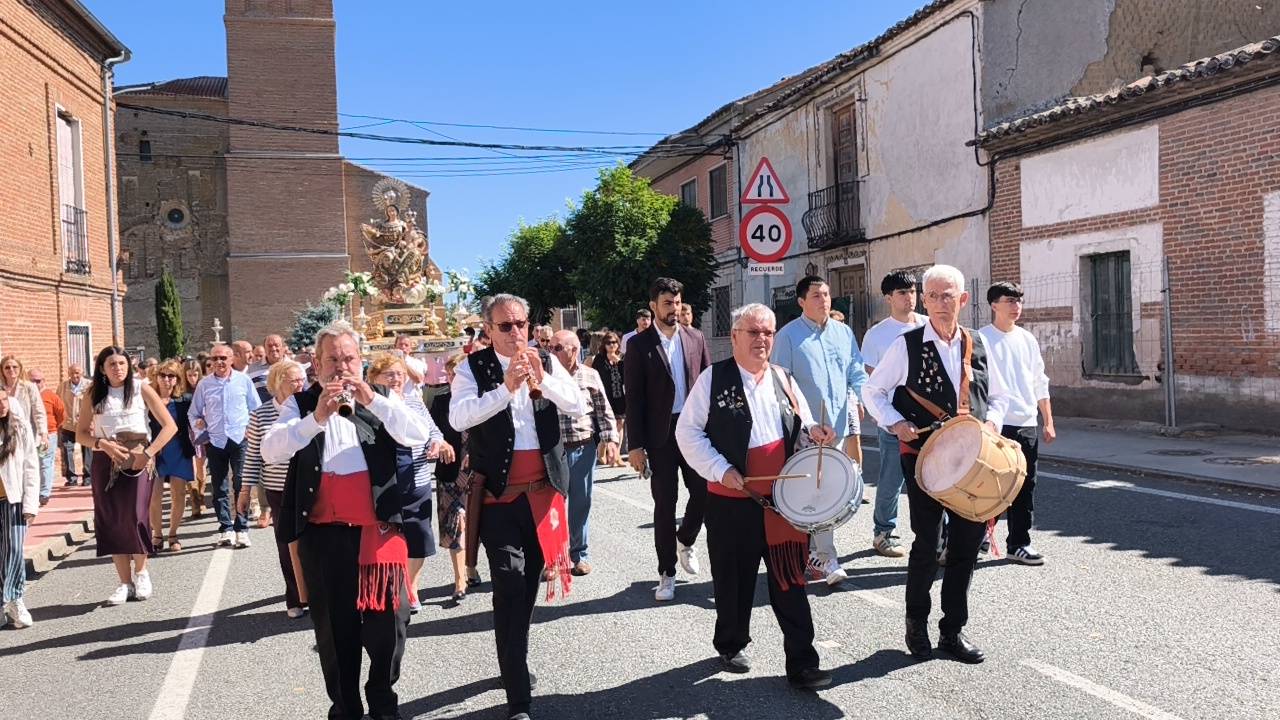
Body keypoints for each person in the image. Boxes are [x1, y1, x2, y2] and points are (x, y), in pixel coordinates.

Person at [262, 321, 433, 720]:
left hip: (379, 533)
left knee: (390, 625)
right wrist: (315, 419)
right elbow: (271, 449)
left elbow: (416, 434)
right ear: (316, 366)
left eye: (349, 358)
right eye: (332, 360)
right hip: (325, 539)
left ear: (361, 361)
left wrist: (372, 399)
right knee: (335, 634)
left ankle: (382, 696)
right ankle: (346, 708)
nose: (341, 367)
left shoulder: (384, 398)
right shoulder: (301, 404)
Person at [675, 303, 835, 689]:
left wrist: (815, 432)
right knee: (733, 581)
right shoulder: (714, 379)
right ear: (734, 337)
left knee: (790, 581)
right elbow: (688, 433)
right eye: (753, 332)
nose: (762, 339)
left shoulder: (783, 378)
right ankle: (731, 644)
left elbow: (802, 422)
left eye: (768, 332)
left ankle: (802, 663)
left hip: (781, 503)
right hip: (731, 501)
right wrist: (720, 470)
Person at [862, 264, 1010, 664]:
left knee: (965, 547)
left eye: (949, 296)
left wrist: (991, 427)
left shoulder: (978, 343)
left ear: (963, 300)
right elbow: (872, 390)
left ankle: (952, 631)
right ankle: (916, 623)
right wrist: (895, 422)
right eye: (933, 296)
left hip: (973, 464)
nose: (941, 303)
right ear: (924, 300)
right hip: (924, 460)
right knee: (927, 544)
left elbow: (998, 396)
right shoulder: (906, 345)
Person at [449, 293, 587, 720]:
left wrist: (542, 380)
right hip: (499, 497)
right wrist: (504, 389)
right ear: (488, 330)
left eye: (521, 324)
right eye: (505, 326)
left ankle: (513, 653)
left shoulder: (547, 360)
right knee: (508, 581)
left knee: (526, 588)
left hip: (544, 493)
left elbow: (577, 405)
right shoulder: (471, 369)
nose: (516, 333)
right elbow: (458, 419)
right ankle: (518, 693)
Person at [771, 276, 868, 586]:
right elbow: (782, 383)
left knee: (828, 490)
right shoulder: (787, 337)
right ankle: (823, 555)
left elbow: (856, 372)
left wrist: (871, 403)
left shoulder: (843, 332)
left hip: (836, 427)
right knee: (813, 490)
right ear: (801, 301)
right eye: (816, 295)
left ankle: (815, 553)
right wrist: (808, 422)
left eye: (826, 294)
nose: (823, 300)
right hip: (805, 431)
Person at [624, 277, 712, 602]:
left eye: (677, 303)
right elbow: (633, 398)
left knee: (704, 493)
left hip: (692, 430)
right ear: (653, 306)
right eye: (666, 304)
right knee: (665, 504)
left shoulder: (696, 338)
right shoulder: (639, 345)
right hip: (659, 436)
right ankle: (667, 572)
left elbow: (707, 386)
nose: (673, 309)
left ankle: (686, 538)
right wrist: (635, 446)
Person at [75, 346, 177, 606]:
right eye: (112, 364)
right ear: (102, 368)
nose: (118, 368)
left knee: (135, 515)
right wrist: (102, 445)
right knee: (111, 518)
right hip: (105, 460)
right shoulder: (93, 394)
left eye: (122, 363)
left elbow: (169, 426)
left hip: (137, 457)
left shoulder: (141, 388)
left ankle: (142, 572)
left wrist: (150, 452)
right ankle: (124, 582)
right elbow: (81, 434)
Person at [366, 353, 453, 615]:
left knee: (419, 539)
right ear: (373, 378)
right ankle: (391, 588)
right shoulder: (369, 404)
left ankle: (410, 585)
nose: (396, 379)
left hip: (417, 480)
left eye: (399, 373)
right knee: (390, 540)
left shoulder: (414, 402)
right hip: (385, 485)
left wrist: (438, 442)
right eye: (389, 374)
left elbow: (433, 431)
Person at [979, 281, 1055, 565]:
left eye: (1019, 301)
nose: (1016, 306)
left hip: (1025, 421)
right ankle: (981, 533)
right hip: (996, 423)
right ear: (994, 305)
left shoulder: (1027, 339)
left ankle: (1019, 543)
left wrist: (1047, 420)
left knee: (1025, 484)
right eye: (1009, 300)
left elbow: (1039, 380)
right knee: (991, 484)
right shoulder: (981, 338)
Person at [860, 270, 928, 559]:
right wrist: (885, 416)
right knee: (892, 478)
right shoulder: (877, 334)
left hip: (929, 419)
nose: (909, 298)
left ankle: (937, 535)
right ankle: (884, 532)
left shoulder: (929, 325)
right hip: (895, 420)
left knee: (934, 476)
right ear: (888, 298)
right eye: (902, 293)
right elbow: (872, 379)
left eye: (912, 291)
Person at [239, 359, 309, 618]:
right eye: (294, 380)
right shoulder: (261, 414)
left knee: (312, 543)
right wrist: (245, 490)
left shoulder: (309, 408)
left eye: (302, 379)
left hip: (308, 487)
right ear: (278, 383)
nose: (300, 384)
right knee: (286, 543)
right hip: (278, 489)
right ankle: (295, 598)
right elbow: (254, 456)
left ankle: (315, 593)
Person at [550, 330, 619, 575]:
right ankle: (553, 558)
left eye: (558, 348)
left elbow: (604, 410)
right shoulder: (545, 376)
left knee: (581, 503)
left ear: (574, 350)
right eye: (551, 347)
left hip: (583, 447)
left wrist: (611, 440)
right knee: (553, 506)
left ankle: (579, 555)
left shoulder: (590, 375)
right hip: (552, 452)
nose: (552, 352)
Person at [190, 343, 262, 548]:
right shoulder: (204, 385)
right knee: (219, 487)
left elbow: (256, 409)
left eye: (223, 358)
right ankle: (225, 528)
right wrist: (199, 426)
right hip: (216, 440)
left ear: (232, 359)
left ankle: (242, 527)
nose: (219, 362)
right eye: (215, 359)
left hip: (240, 438)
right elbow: (193, 412)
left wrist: (252, 429)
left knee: (241, 483)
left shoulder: (243, 381)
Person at [429, 353, 476, 602]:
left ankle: (471, 567)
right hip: (450, 471)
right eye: (449, 374)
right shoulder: (440, 402)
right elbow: (433, 432)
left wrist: (477, 451)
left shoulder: (479, 399)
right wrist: (441, 444)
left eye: (456, 374)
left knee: (477, 524)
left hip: (479, 473)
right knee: (454, 524)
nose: (451, 379)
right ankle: (459, 579)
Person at [0, 389, 40, 628]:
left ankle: (15, 598)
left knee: (14, 549)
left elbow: (30, 466)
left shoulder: (19, 427)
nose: (2, 405)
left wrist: (31, 504)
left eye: (4, 400)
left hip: (13, 499)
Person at [148, 361, 195, 553]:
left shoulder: (184, 401)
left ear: (177, 380)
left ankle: (173, 533)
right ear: (156, 377)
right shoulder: (148, 400)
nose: (167, 380)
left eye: (171, 376)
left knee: (179, 494)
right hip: (155, 453)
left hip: (179, 451)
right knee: (154, 496)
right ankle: (157, 534)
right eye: (163, 375)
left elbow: (196, 418)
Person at [1, 358, 48, 489]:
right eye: (7, 367)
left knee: (27, 467)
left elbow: (39, 411)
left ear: (20, 368)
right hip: (4, 433)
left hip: (25, 433)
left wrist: (43, 433)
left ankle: (28, 499)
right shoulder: (0, 388)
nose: (11, 370)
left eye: (14, 367)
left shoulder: (29, 387)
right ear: (2, 370)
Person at [590, 331, 627, 468]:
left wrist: (619, 362)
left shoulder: (622, 358)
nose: (612, 345)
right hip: (605, 397)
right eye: (608, 343)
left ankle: (616, 455)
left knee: (620, 424)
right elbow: (594, 377)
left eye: (614, 342)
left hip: (620, 397)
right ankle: (602, 448)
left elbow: (629, 375)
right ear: (604, 345)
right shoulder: (599, 359)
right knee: (608, 425)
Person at [28, 369, 64, 506]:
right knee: (32, 463)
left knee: (45, 463)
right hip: (30, 435)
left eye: (38, 381)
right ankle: (33, 491)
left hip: (47, 435)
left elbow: (61, 413)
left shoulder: (51, 396)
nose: (36, 384)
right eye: (32, 381)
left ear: (44, 381)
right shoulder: (26, 394)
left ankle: (44, 494)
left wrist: (52, 429)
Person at [57, 364, 93, 487]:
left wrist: (92, 421)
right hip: (68, 425)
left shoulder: (89, 385)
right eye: (72, 373)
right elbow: (58, 404)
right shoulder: (63, 387)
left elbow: (95, 404)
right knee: (67, 450)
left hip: (85, 424)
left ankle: (88, 476)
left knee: (87, 451)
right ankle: (71, 477)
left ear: (82, 373)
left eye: (77, 373)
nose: (75, 375)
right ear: (68, 373)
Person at [182, 359, 209, 518]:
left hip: (201, 431)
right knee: (190, 467)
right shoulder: (181, 391)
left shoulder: (204, 388)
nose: (193, 378)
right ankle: (194, 501)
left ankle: (201, 495)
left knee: (201, 467)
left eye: (195, 374)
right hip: (187, 431)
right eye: (189, 375)